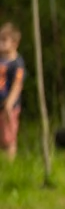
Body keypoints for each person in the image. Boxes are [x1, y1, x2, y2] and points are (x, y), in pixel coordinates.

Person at [0, 22, 25, 161]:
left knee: (8, 137)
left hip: (9, 107)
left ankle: (10, 164)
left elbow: (17, 85)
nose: (0, 43)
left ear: (15, 43)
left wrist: (9, 103)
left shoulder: (17, 63)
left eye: (4, 40)